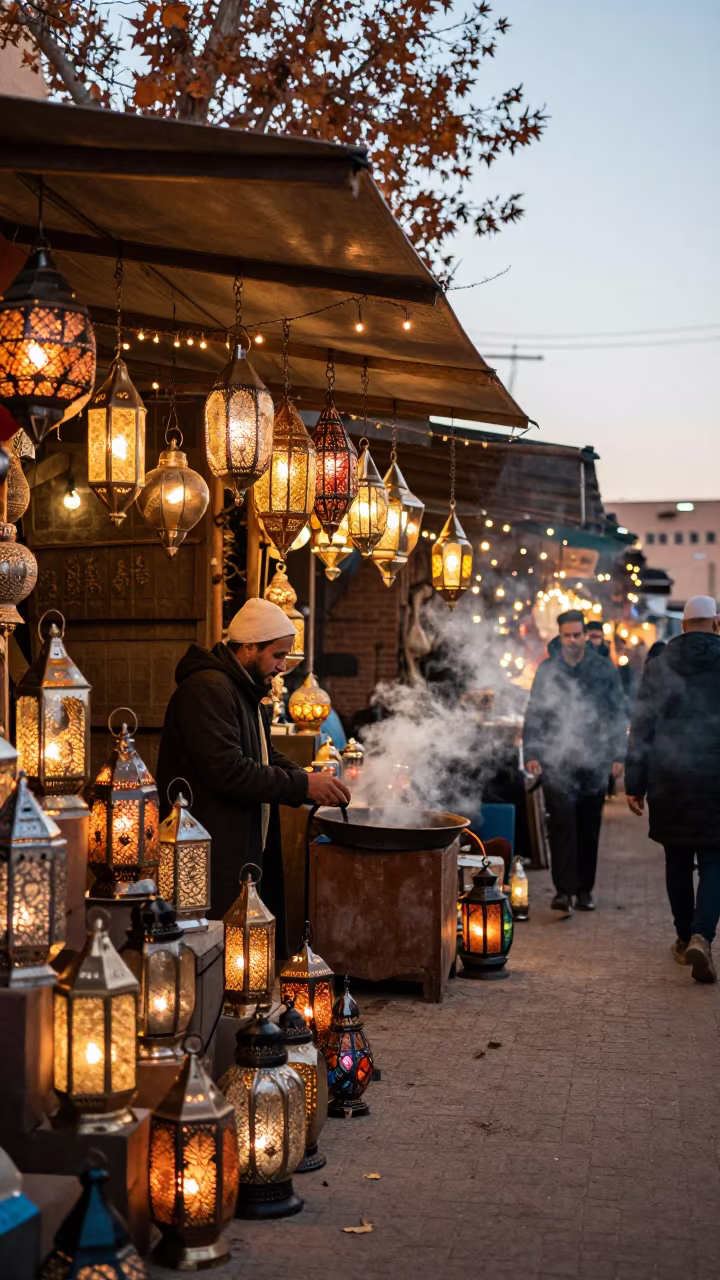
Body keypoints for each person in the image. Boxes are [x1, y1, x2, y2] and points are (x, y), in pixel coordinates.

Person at [156, 597, 350, 956]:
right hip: (208, 845)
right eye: (277, 656)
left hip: (237, 840)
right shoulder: (208, 689)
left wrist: (305, 777)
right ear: (248, 647)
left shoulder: (243, 688)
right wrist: (304, 785)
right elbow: (229, 771)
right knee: (211, 946)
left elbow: (262, 754)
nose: (282, 667)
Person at [626, 596, 720, 983]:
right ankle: (703, 934)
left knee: (677, 861)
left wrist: (635, 783)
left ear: (682, 627)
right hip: (715, 781)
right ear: (716, 623)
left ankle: (684, 939)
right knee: (715, 860)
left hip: (668, 778)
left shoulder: (659, 666)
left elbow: (642, 727)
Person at [523, 609, 627, 913]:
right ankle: (563, 891)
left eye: (577, 635)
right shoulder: (547, 670)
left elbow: (616, 713)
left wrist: (618, 754)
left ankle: (584, 889)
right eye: (567, 635)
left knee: (588, 826)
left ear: (585, 635)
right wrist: (532, 752)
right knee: (562, 824)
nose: (572, 640)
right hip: (557, 759)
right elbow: (535, 713)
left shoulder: (603, 668)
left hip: (594, 759)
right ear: (560, 635)